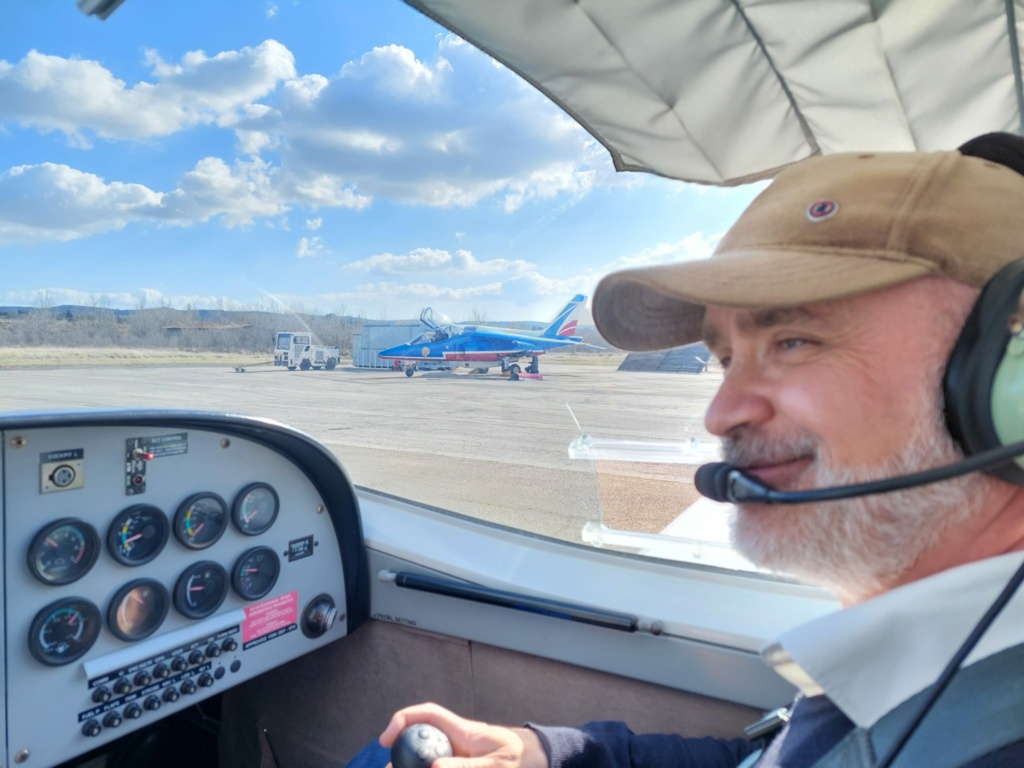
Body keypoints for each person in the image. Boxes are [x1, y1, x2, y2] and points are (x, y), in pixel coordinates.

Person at [366, 133, 1024, 768]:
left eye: (793, 340)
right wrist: (552, 755)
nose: (720, 414)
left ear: (1004, 380)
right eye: (726, 357)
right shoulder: (918, 651)